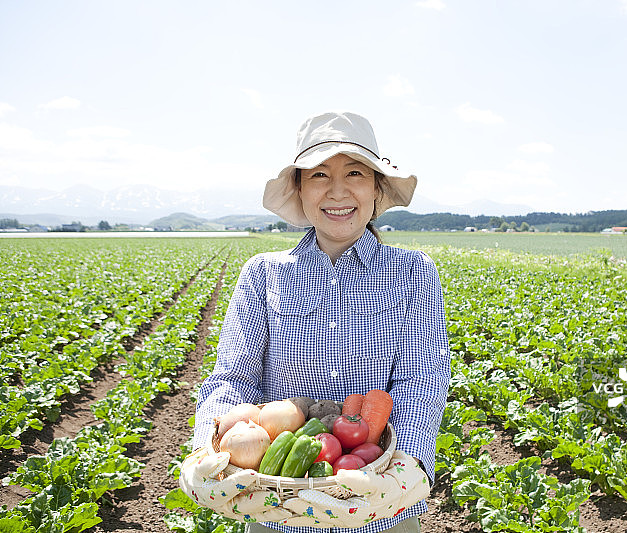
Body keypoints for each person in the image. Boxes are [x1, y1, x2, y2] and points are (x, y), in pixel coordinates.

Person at [179, 111, 451, 533]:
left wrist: (408, 463)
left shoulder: (413, 271)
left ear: (377, 189)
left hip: (377, 497)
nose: (338, 191)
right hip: (277, 503)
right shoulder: (263, 273)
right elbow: (234, 378)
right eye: (320, 175)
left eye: (356, 173)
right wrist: (207, 445)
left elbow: (423, 377)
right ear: (301, 191)